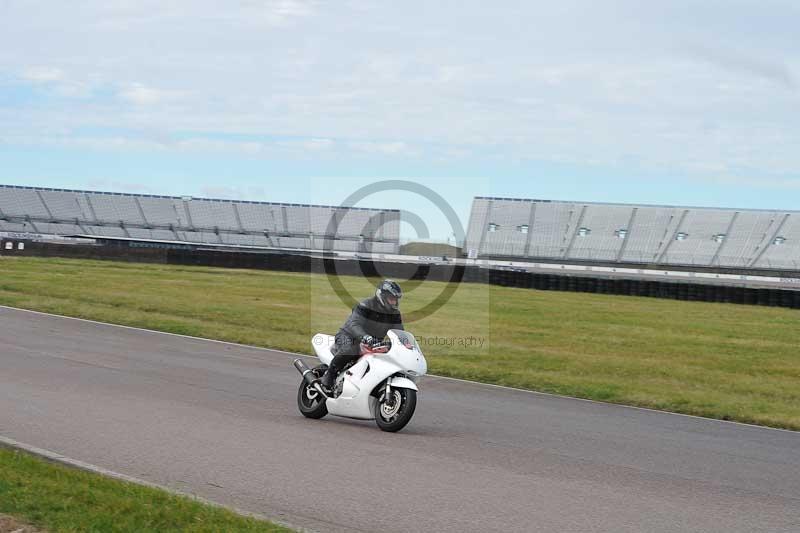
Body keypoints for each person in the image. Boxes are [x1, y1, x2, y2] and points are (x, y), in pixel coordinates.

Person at [319, 279, 404, 391]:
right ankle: (329, 375)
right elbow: (354, 324)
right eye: (391, 299)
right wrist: (365, 337)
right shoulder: (365, 305)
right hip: (349, 336)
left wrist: (405, 343)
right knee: (350, 349)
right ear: (382, 296)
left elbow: (399, 331)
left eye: (395, 299)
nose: (394, 302)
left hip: (373, 343)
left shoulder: (395, 314)